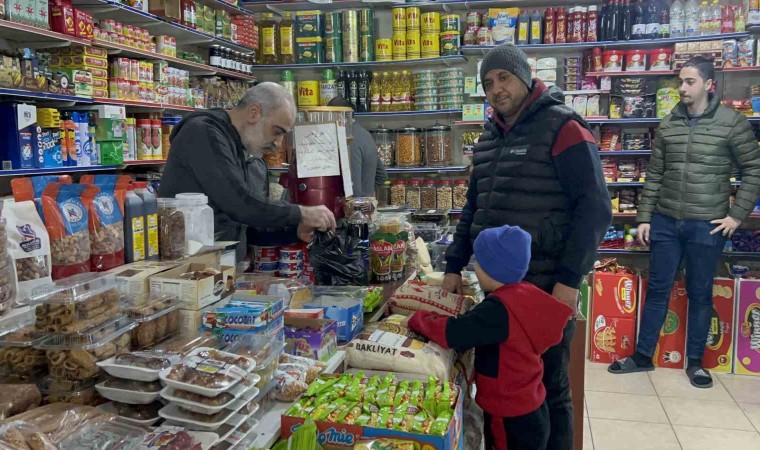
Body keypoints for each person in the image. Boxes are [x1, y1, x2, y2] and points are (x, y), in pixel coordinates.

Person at [442, 43, 612, 450]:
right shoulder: (487, 138)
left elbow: (595, 208)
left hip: (546, 286)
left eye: (503, 78)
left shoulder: (563, 126)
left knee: (552, 388)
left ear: (524, 76)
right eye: (488, 82)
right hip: (497, 292)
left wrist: (570, 281)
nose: (496, 89)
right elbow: (474, 208)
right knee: (510, 388)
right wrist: (452, 266)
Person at [608, 56, 760, 388]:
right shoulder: (669, 123)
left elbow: (754, 169)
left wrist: (737, 215)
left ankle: (696, 363)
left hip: (706, 224)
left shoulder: (732, 123)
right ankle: (643, 356)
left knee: (700, 293)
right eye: (680, 81)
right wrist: (644, 217)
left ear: (709, 85)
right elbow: (655, 174)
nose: (682, 87)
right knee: (658, 289)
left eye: (689, 81)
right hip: (664, 220)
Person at [408, 225, 573, 450]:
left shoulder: (497, 310)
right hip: (533, 408)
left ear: (492, 269)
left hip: (508, 416)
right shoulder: (525, 295)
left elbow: (455, 333)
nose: (475, 268)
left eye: (479, 262)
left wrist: (417, 319)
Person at [160, 82, 336, 260]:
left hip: (220, 269)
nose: (278, 144)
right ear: (254, 113)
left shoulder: (249, 155)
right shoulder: (203, 132)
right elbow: (238, 203)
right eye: (276, 131)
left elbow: (248, 225)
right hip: (184, 270)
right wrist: (301, 213)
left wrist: (294, 230)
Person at [326, 96, 387, 197]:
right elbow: (381, 176)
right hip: (367, 207)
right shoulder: (366, 134)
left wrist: (359, 199)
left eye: (329, 117)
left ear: (339, 117)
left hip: (354, 210)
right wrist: (367, 193)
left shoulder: (348, 139)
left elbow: (353, 188)